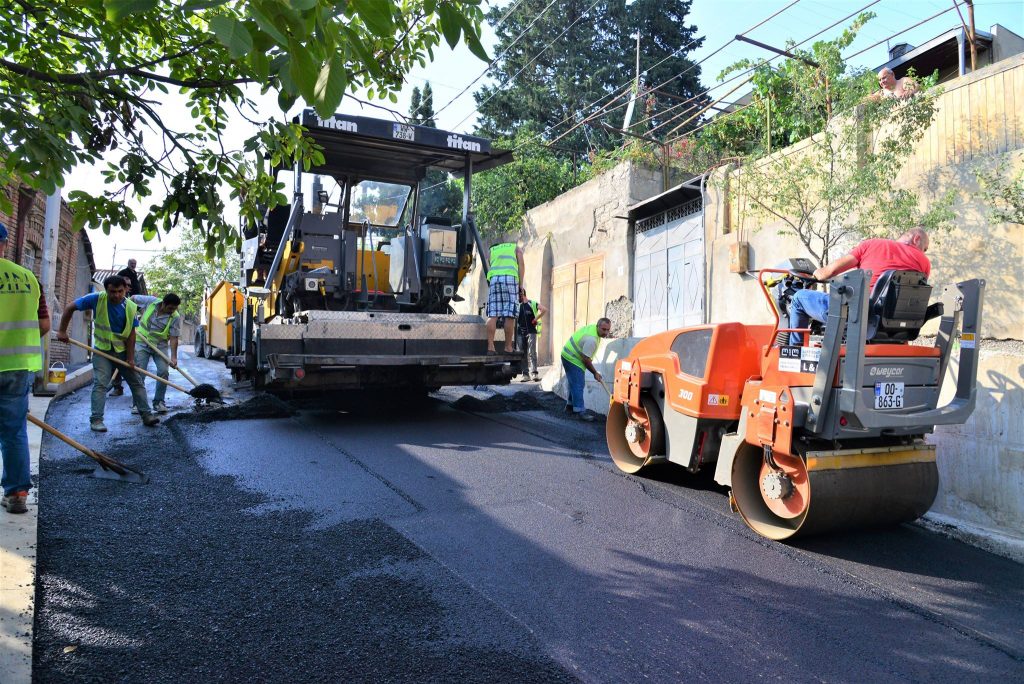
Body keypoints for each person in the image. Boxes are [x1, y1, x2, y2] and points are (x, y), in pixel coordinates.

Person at [788, 227, 931, 345]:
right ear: (916, 239)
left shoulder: (872, 244)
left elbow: (829, 272)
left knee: (799, 297)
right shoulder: (925, 263)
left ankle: (795, 350)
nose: (923, 252)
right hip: (889, 324)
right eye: (925, 248)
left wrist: (816, 273)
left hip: (859, 316)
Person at [57, 276, 160, 431]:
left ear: (126, 290)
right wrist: (62, 331)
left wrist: (131, 358)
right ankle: (96, 420)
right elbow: (69, 308)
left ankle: (147, 415)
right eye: (113, 291)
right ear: (106, 290)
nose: (117, 295)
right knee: (101, 383)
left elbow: (132, 334)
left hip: (123, 352)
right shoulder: (96, 299)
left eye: (120, 291)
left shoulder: (131, 307)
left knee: (137, 382)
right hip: (102, 350)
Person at [0, 223, 49, 514]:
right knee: (14, 430)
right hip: (17, 367)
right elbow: (44, 324)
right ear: (5, 244)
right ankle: (17, 493)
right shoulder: (28, 278)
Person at [129, 292, 181, 414]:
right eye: (170, 308)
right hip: (141, 342)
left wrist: (174, 357)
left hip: (160, 345)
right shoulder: (151, 302)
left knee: (163, 371)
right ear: (163, 303)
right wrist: (131, 313)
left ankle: (159, 402)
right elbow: (132, 298)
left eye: (174, 309)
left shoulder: (175, 317)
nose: (172, 311)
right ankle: (138, 404)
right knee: (140, 372)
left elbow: (174, 338)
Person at [561, 318, 613, 422]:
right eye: (604, 329)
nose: (606, 333)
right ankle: (580, 412)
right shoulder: (592, 340)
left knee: (574, 383)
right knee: (578, 384)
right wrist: (595, 373)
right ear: (598, 326)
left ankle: (570, 407)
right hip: (572, 358)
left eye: (608, 330)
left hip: (569, 354)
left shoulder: (594, 329)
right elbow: (586, 360)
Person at [485, 239, 525, 354]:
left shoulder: (492, 250)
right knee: (509, 315)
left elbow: (490, 264)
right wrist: (520, 285)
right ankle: (508, 347)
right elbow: (521, 265)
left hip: (494, 280)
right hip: (509, 278)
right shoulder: (515, 247)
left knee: (493, 314)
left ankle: (490, 347)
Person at [515, 288, 546, 382]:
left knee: (531, 352)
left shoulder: (532, 303)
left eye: (518, 295)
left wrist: (536, 319)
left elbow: (544, 310)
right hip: (520, 333)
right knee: (522, 354)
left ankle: (534, 374)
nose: (517, 297)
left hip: (531, 331)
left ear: (522, 294)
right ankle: (525, 375)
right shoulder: (516, 306)